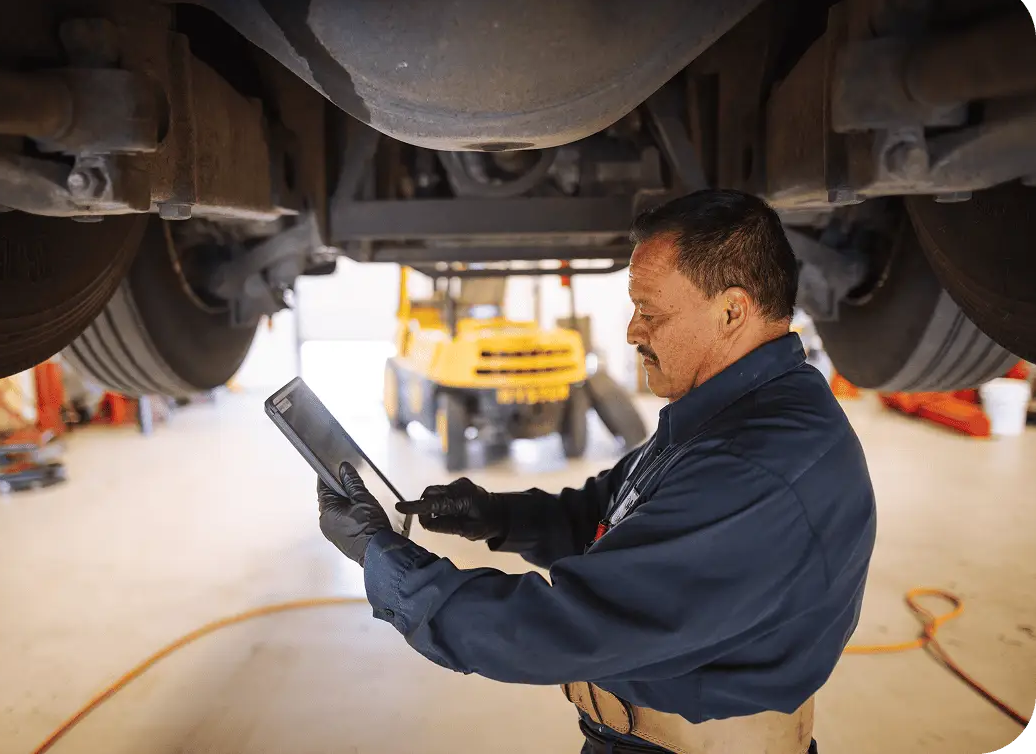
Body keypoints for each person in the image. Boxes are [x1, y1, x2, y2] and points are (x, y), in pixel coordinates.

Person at [317, 189, 877, 754]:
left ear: (731, 310)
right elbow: (606, 516)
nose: (633, 331)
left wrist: (381, 558)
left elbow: (557, 629)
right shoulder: (724, 413)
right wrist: (494, 516)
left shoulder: (754, 465)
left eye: (651, 313)